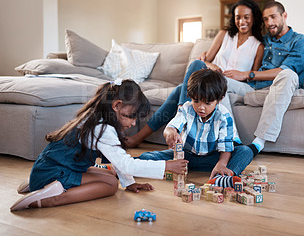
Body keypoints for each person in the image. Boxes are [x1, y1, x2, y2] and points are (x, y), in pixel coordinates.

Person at [10, 79, 188, 211]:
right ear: (117, 105)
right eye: (131, 116)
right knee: (110, 185)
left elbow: (119, 162)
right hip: (54, 170)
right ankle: (52, 198)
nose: (134, 123)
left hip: (50, 166)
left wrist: (129, 183)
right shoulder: (103, 129)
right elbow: (127, 164)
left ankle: (40, 183)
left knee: (109, 174)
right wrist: (166, 165)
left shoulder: (97, 117)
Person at [125, 0, 265, 148]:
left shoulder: (258, 45)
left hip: (234, 84)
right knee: (195, 67)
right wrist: (212, 67)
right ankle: (176, 111)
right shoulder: (225, 35)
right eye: (238, 17)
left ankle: (175, 117)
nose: (242, 21)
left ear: (254, 18)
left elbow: (252, 75)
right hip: (212, 79)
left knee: (180, 90)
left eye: (246, 17)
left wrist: (241, 74)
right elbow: (205, 60)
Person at [137, 69, 254, 188]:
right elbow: (170, 128)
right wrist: (171, 134)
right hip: (185, 157)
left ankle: (221, 176)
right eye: (196, 101)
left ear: (219, 100)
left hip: (213, 159)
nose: (201, 108)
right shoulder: (186, 109)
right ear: (190, 97)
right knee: (149, 156)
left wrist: (221, 164)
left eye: (207, 103)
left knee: (245, 151)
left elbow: (226, 147)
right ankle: (126, 167)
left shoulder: (224, 116)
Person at [224, 1, 304, 157]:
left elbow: (284, 70)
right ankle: (233, 138)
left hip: (280, 87)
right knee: (218, 81)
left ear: (284, 16)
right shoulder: (263, 41)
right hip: (254, 88)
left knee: (289, 73)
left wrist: (247, 74)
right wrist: (207, 57)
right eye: (265, 19)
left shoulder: (300, 41)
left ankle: (258, 143)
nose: (269, 23)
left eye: (273, 17)